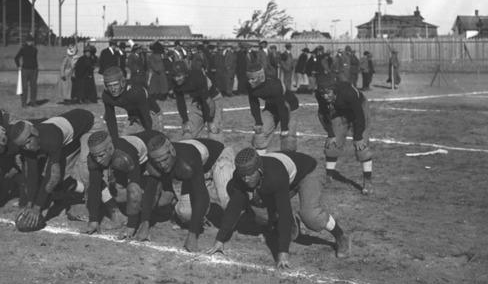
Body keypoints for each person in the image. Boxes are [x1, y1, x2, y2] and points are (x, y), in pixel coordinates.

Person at [204, 147, 352, 268]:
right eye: (243, 176)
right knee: (262, 217)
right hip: (284, 177)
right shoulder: (242, 175)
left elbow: (284, 210)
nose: (246, 179)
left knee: (310, 215)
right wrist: (220, 240)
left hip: (308, 172)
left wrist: (283, 252)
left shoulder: (274, 176)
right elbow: (234, 207)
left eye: (249, 175)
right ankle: (287, 223)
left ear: (259, 170)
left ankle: (340, 236)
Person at [136, 133, 233, 252]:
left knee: (228, 201)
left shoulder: (188, 159)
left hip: (218, 157)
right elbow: (150, 192)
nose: (162, 165)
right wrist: (144, 223)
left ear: (172, 152)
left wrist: (192, 235)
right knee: (185, 214)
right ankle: (197, 196)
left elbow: (200, 196)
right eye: (158, 162)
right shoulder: (156, 162)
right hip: (198, 168)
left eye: (165, 159)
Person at [10, 108, 100, 231]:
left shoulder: (50, 138)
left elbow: (52, 177)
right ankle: (60, 202)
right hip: (71, 136)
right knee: (59, 174)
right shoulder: (29, 144)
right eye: (24, 145)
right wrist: (30, 203)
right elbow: (32, 174)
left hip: (90, 125)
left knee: (86, 171)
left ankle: (98, 210)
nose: (28, 147)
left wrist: (37, 207)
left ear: (34, 133)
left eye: (29, 142)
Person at [83, 130, 166, 235]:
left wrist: (131, 225)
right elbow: (95, 187)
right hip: (131, 156)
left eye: (101, 155)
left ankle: (167, 199)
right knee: (117, 194)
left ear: (110, 149)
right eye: (95, 156)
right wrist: (93, 220)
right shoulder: (94, 158)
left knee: (153, 199)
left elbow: (134, 190)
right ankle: (120, 215)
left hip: (154, 147)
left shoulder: (125, 157)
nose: (98, 160)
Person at [315, 74, 375, 195]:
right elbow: (323, 114)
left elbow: (359, 116)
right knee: (332, 144)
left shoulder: (348, 94)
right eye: (322, 93)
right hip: (339, 111)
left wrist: (358, 137)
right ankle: (329, 177)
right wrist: (330, 134)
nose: (325, 96)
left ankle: (367, 180)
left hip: (359, 109)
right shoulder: (320, 95)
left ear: (334, 90)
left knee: (361, 147)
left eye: (328, 93)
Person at [245, 63, 299, 154]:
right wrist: (258, 122)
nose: (250, 81)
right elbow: (254, 103)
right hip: (271, 107)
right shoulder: (249, 85)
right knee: (260, 135)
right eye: (248, 79)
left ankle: (289, 159)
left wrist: (284, 128)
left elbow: (282, 107)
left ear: (261, 77)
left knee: (288, 139)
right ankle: (260, 160)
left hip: (289, 107)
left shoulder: (274, 85)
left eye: (253, 79)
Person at [101, 66, 163, 137]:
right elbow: (110, 118)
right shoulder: (106, 95)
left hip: (151, 114)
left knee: (153, 140)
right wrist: (115, 138)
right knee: (125, 140)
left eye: (115, 84)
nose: (113, 89)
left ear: (122, 82)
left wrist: (149, 135)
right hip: (134, 116)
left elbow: (147, 117)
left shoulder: (134, 91)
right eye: (109, 86)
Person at [170, 59, 223, 141]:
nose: (176, 79)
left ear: (186, 74)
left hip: (212, 100)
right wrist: (185, 121)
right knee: (188, 134)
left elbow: (208, 103)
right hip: (198, 101)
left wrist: (210, 122)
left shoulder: (197, 78)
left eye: (179, 76)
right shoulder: (175, 82)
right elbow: (180, 101)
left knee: (214, 135)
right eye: (174, 76)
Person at [14, 33, 39, 107]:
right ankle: (24, 103)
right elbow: (16, 58)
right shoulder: (23, 49)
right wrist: (18, 66)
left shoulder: (35, 50)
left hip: (34, 70)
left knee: (33, 87)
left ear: (32, 41)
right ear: (26, 41)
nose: (29, 42)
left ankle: (33, 102)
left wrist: (36, 68)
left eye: (31, 41)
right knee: (24, 87)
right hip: (25, 70)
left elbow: (34, 59)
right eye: (28, 41)